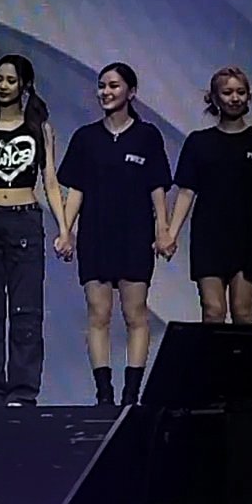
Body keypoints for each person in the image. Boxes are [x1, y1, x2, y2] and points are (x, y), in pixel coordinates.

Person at [58, 62, 172, 407]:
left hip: (134, 234)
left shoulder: (147, 136)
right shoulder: (86, 138)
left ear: (131, 92)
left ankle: (131, 394)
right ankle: (104, 394)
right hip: (95, 234)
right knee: (98, 314)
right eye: (102, 86)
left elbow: (157, 188)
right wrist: (65, 231)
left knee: (135, 313)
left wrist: (163, 230)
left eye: (114, 85)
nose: (106, 92)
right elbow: (76, 190)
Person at [0, 55, 67, 407]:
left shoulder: (39, 129)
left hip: (25, 221)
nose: (3, 86)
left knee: (26, 310)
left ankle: (23, 390)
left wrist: (64, 228)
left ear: (24, 86)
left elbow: (50, 181)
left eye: (11, 80)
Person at [164, 68, 252, 326]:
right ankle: (212, 355)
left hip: (248, 235)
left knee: (243, 312)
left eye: (240, 92)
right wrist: (170, 234)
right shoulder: (198, 142)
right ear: (215, 98)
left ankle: (243, 356)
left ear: (249, 96)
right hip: (209, 235)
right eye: (227, 93)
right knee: (213, 311)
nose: (235, 98)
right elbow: (186, 191)